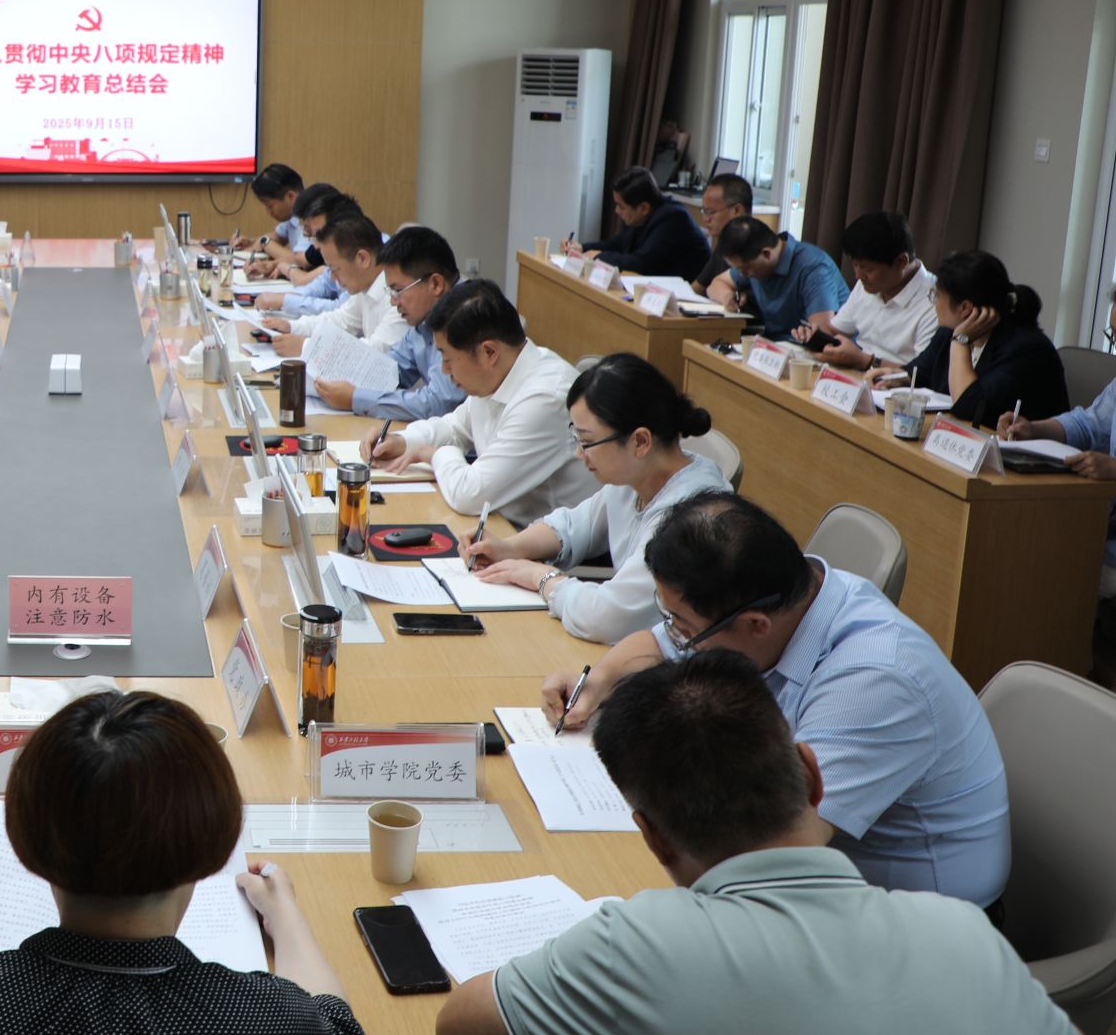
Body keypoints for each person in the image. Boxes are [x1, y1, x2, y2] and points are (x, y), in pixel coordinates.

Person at [437, 651, 1070, 1035]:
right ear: (813, 776)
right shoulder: (966, 935)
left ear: (652, 838)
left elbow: (460, 1021)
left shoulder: (634, 946)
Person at [542, 491, 1010, 907]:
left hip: (915, 921)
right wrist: (598, 682)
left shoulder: (875, 680)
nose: (676, 636)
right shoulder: (784, 593)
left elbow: (788, 846)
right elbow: (659, 643)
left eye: (684, 626)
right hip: (822, 874)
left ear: (755, 626)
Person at [0, 691, 360, 1035]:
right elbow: (335, 1020)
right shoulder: (264, 1018)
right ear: (208, 840)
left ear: (29, 837)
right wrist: (285, 915)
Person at [464, 353, 729, 643]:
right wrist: (509, 548)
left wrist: (539, 577)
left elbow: (607, 618)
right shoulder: (639, 472)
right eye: (577, 438)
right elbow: (574, 525)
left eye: (587, 442)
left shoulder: (693, 516)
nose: (579, 454)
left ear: (640, 441)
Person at [368, 281, 595, 524]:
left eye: (448, 359)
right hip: (503, 525)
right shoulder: (498, 373)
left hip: (541, 540)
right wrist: (403, 441)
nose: (444, 370)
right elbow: (455, 427)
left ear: (489, 352)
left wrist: (434, 454)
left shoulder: (545, 399)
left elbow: (469, 495)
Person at [1000, 287, 1116, 685]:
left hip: (1105, 545)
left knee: (1041, 568)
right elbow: (1088, 424)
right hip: (1098, 527)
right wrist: (1034, 428)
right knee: (1019, 547)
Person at [312, 226, 465, 420]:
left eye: (397, 291)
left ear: (435, 284)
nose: (393, 302)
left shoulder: (464, 316)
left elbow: (438, 404)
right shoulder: (425, 318)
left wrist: (354, 398)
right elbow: (388, 370)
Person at [900, 250, 1066, 428]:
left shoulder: (1026, 350)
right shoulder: (948, 333)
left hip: (1009, 443)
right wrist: (897, 379)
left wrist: (961, 341)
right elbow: (918, 373)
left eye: (937, 295)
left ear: (965, 308)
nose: (934, 302)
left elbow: (968, 407)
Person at [263, 211, 407, 357]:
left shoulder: (400, 294)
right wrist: (292, 326)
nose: (332, 277)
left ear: (362, 259)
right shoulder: (367, 285)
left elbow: (377, 351)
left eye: (334, 269)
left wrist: (306, 347)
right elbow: (340, 320)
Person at [808, 211, 936, 371]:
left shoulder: (935, 302)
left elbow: (924, 374)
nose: (858, 275)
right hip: (856, 376)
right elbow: (835, 331)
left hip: (898, 385)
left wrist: (865, 361)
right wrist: (815, 336)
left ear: (901, 262)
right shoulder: (868, 284)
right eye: (855, 265)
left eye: (867, 269)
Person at [567, 165, 709, 283]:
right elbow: (618, 244)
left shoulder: (673, 218)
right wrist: (583, 248)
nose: (617, 211)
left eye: (621, 206)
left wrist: (600, 256)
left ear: (643, 208)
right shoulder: (641, 216)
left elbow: (642, 263)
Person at [715, 216, 849, 340]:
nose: (742, 274)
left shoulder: (813, 269)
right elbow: (717, 284)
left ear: (767, 254)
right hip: (773, 344)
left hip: (807, 349)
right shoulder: (754, 262)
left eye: (744, 269)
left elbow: (822, 335)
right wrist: (727, 296)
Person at [260, 189, 373, 316]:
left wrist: (285, 301)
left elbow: (342, 310)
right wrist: (284, 298)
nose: (316, 245)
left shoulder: (365, 254)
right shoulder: (338, 251)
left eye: (319, 234)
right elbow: (323, 285)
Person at [691, 174, 755, 314]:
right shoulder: (724, 243)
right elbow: (696, 288)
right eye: (704, 211)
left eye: (710, 212)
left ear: (737, 211)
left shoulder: (756, 250)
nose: (705, 219)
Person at [249, 163, 305, 266]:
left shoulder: (310, 219)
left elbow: (300, 260)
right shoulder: (292, 217)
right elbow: (276, 237)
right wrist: (250, 242)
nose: (268, 212)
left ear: (290, 196)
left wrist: (265, 243)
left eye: (270, 206)